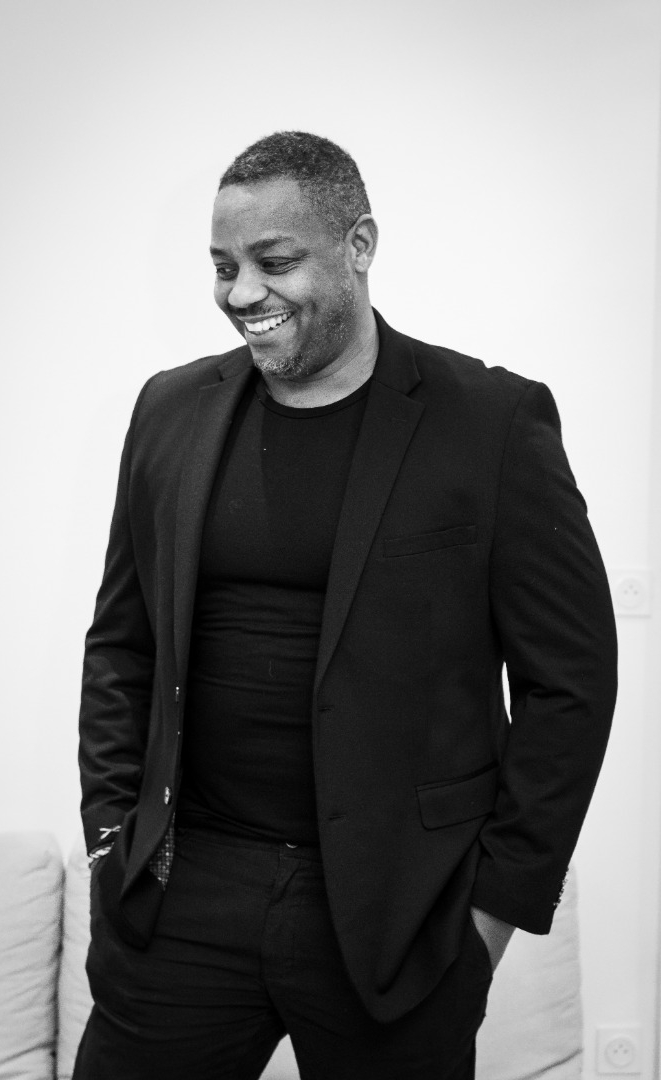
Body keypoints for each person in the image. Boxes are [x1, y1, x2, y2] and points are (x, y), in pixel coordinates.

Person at [73, 131, 617, 1080]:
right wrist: (112, 840)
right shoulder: (169, 410)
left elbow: (570, 682)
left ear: (359, 244)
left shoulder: (490, 422)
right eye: (224, 266)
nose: (242, 292)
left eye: (274, 261)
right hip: (184, 895)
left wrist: (491, 916)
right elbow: (122, 645)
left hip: (395, 913)